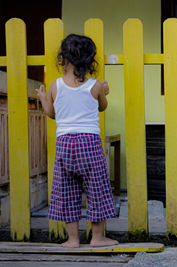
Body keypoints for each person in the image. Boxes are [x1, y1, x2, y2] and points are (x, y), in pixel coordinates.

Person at [36, 33, 118, 248]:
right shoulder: (95, 85)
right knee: (97, 188)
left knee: (67, 189)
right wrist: (105, 92)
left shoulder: (55, 86)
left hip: (65, 144)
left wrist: (44, 98)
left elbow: (52, 113)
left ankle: (73, 239)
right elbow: (102, 107)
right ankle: (97, 238)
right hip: (88, 143)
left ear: (62, 59)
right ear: (89, 61)